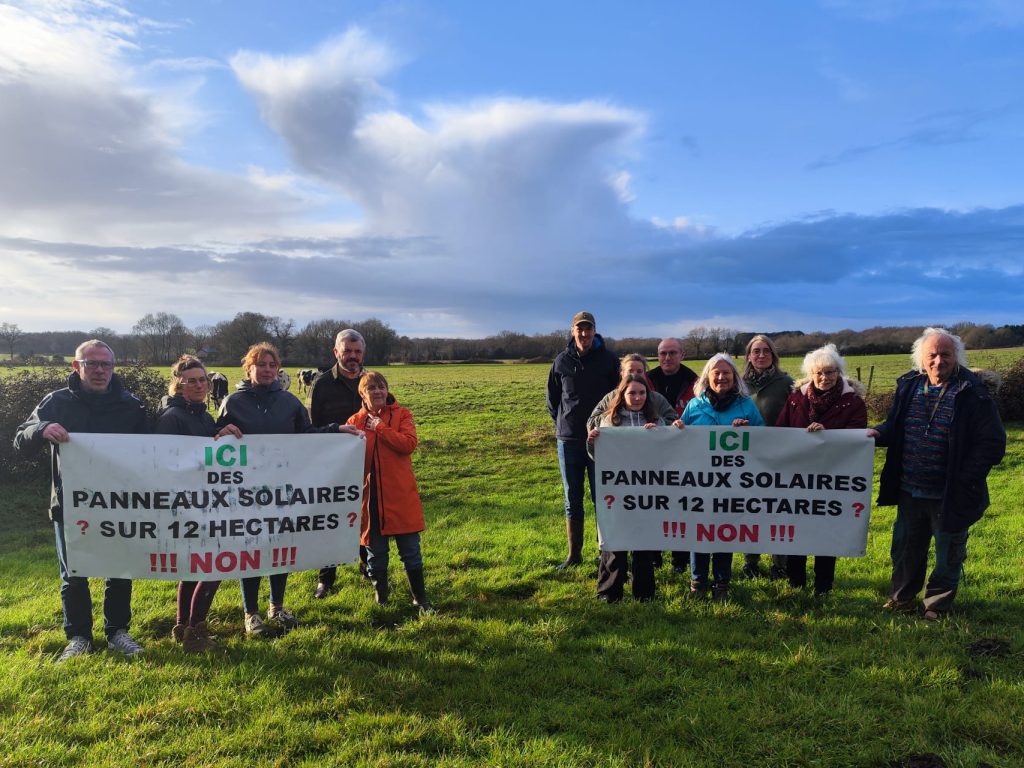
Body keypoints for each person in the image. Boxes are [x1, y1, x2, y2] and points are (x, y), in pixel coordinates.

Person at [13, 340, 148, 661]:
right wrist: (41, 428)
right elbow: (21, 438)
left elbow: (150, 452)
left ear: (113, 368)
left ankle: (117, 632)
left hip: (120, 504)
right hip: (70, 504)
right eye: (92, 364)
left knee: (119, 571)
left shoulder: (132, 405)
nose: (100, 370)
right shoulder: (55, 402)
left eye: (106, 364)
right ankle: (78, 637)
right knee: (73, 575)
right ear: (77, 366)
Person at [216, 342, 358, 637]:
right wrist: (220, 432)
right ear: (249, 368)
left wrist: (335, 430)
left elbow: (306, 436)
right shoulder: (232, 402)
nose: (268, 370)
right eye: (261, 365)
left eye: (272, 365)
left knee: (278, 547)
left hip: (281, 490)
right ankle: (251, 613)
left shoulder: (290, 402)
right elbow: (214, 441)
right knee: (251, 550)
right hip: (245, 492)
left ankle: (276, 606)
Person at [868, 328, 1005, 620]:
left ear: (957, 357)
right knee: (905, 548)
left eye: (945, 354)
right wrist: (875, 432)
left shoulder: (973, 393)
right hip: (909, 488)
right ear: (921, 358)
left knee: (948, 554)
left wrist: (965, 478)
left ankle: (936, 605)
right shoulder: (909, 385)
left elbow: (992, 443)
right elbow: (894, 426)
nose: (938, 360)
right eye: (932, 354)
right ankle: (902, 597)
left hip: (950, 493)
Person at [775, 344, 867, 596]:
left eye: (830, 372)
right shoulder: (795, 399)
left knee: (826, 531)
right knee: (797, 528)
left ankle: (823, 586)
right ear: (810, 374)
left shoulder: (853, 403)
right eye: (819, 373)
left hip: (833, 479)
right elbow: (781, 431)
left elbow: (857, 437)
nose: (824, 378)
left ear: (839, 373)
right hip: (797, 478)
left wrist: (828, 436)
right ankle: (796, 583)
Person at [346, 371, 433, 614]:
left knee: (411, 552)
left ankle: (420, 599)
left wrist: (381, 428)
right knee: (376, 554)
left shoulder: (402, 414)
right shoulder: (354, 422)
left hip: (400, 496)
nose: (377, 391)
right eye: (371, 387)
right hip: (370, 498)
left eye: (381, 387)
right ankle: (381, 600)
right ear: (362, 393)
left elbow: (408, 444)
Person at [680, 353, 765, 601]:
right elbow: (681, 438)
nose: (721, 377)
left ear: (734, 377)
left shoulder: (746, 405)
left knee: (723, 531)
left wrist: (747, 430)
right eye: (716, 372)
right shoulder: (694, 405)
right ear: (708, 376)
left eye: (726, 372)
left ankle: (722, 583)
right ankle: (698, 582)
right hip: (699, 482)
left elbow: (763, 436)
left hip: (733, 482)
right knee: (700, 530)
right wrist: (677, 429)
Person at [154, 355, 223, 652]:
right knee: (214, 565)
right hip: (187, 504)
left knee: (194, 567)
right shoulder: (173, 417)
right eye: (191, 380)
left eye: (202, 380)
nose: (199, 385)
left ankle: (183, 627)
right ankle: (195, 631)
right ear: (178, 384)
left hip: (203, 501)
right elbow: (167, 464)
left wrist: (222, 435)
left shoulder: (202, 415)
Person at [588, 374, 677, 603]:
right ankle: (609, 593)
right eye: (632, 393)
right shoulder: (608, 421)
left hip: (647, 492)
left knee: (644, 542)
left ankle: (644, 594)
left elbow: (668, 455)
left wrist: (660, 435)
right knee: (614, 541)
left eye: (641, 393)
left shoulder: (656, 420)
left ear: (647, 396)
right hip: (617, 493)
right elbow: (598, 457)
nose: (637, 397)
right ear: (622, 395)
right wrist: (592, 441)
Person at [546, 311, 620, 570]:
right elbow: (553, 399)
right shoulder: (561, 361)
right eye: (580, 329)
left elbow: (618, 397)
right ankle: (574, 554)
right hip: (568, 439)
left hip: (601, 439)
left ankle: (605, 554)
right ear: (572, 331)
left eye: (588, 329)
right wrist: (565, 422)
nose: (584, 334)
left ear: (595, 331)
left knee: (603, 497)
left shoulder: (609, 360)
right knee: (572, 497)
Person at [307, 328, 368, 598]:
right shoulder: (321, 384)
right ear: (336, 352)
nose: (352, 356)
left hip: (366, 463)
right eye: (347, 351)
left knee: (365, 516)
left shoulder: (372, 381)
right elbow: (313, 427)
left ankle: (368, 568)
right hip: (331, 465)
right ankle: (326, 577)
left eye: (357, 352)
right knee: (330, 520)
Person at [740, 334, 794, 580]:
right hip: (747, 457)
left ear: (773, 355)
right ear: (749, 356)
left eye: (765, 351)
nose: (761, 355)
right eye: (756, 351)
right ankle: (751, 561)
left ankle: (779, 564)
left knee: (777, 509)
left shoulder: (786, 383)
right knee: (750, 509)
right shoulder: (740, 384)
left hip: (778, 456)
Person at [647, 337, 699, 573]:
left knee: (681, 504)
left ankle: (680, 559)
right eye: (662, 353)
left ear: (682, 355)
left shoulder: (695, 381)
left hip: (684, 450)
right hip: (653, 450)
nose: (667, 358)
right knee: (655, 503)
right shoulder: (648, 379)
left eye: (672, 353)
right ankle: (655, 555)